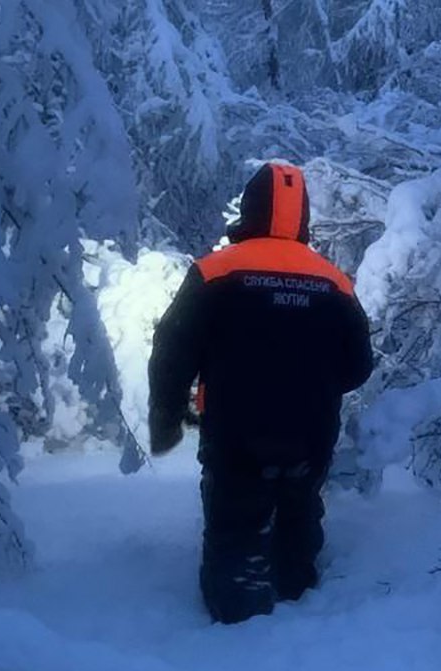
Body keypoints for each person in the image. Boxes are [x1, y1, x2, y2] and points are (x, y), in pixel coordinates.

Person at [147, 160, 374, 624]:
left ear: (250, 208)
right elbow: (359, 366)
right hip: (310, 433)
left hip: (236, 431)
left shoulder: (215, 271)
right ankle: (296, 594)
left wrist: (167, 415)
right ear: (302, 216)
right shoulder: (333, 280)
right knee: (300, 512)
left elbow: (172, 351)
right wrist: (316, 388)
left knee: (235, 519)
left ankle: (238, 617)